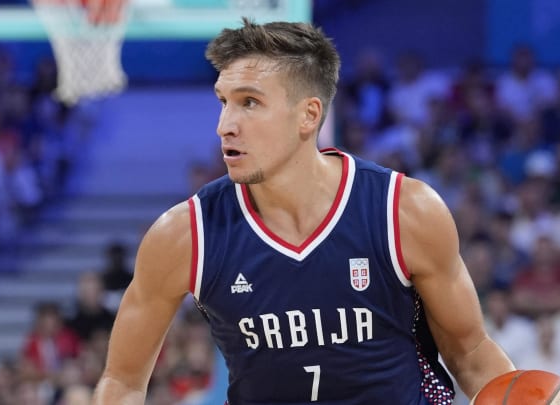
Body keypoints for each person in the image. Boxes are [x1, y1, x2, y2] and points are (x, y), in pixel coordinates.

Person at [93, 18, 515, 404]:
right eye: (223, 101)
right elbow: (124, 382)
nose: (225, 124)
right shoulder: (184, 235)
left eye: (249, 103)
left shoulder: (404, 211)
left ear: (308, 115)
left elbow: (472, 353)